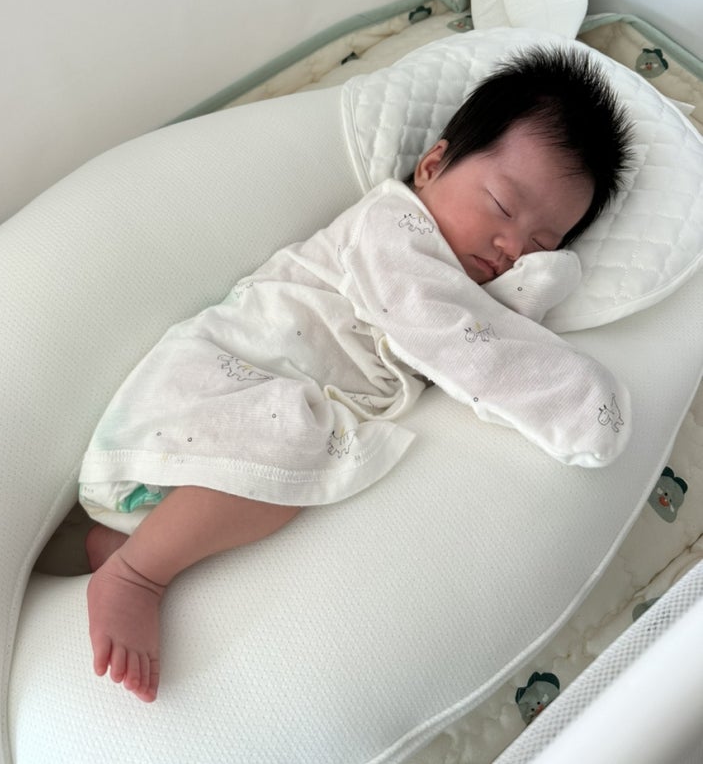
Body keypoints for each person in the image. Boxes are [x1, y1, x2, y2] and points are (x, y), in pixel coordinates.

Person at [80, 45, 633, 703]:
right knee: (295, 443)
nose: (511, 247)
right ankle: (136, 573)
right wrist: (577, 397)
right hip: (222, 380)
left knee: (296, 447)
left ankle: (127, 537)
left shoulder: (463, 285)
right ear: (432, 165)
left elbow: (483, 326)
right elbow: (464, 344)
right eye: (502, 207)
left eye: (543, 243)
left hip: (234, 418)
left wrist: (539, 277)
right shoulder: (392, 229)